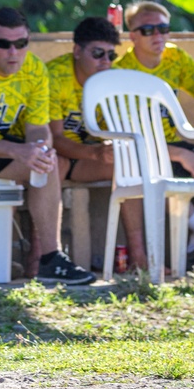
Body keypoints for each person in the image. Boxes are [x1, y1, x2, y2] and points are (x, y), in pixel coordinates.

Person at [0, 7, 95, 286]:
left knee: (48, 162)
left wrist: (39, 148)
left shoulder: (35, 68)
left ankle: (51, 259)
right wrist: (17, 151)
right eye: (3, 44)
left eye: (21, 43)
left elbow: (38, 126)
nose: (13, 52)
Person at [114, 0, 194, 271]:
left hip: (174, 143)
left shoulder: (176, 57)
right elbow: (129, 136)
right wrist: (179, 154)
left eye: (163, 28)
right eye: (148, 30)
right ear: (132, 36)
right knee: (161, 174)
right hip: (140, 151)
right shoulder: (121, 71)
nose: (158, 35)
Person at [47, 17, 148, 272]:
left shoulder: (111, 81)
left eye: (111, 55)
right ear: (77, 51)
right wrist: (95, 152)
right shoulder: (54, 75)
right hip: (53, 156)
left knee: (129, 168)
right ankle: (41, 258)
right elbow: (54, 139)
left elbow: (126, 132)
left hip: (87, 159)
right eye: (98, 53)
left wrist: (109, 152)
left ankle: (138, 256)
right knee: (53, 162)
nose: (105, 62)